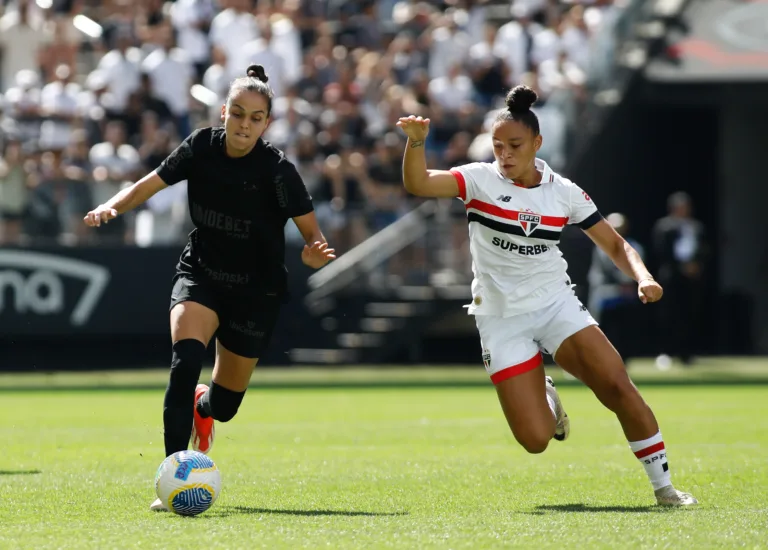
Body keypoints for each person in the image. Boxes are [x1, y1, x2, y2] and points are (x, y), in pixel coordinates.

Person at [396, 85, 698, 507]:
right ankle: (548, 396)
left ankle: (665, 489)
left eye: (514, 145)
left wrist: (643, 277)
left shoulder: (564, 192)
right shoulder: (479, 180)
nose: (504, 154)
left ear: (537, 143)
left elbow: (614, 244)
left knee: (618, 387)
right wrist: (415, 143)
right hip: (501, 317)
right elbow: (419, 183)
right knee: (536, 440)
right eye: (498, 146)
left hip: (555, 304)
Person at [83, 64, 336, 512]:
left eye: (255, 118)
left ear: (266, 123)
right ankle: (172, 477)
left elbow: (313, 235)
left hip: (255, 293)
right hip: (200, 275)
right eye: (237, 113)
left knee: (224, 406)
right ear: (223, 112)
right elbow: (151, 183)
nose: (244, 124)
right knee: (183, 366)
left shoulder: (278, 172)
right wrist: (111, 206)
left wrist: (313, 252)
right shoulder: (200, 146)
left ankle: (206, 408)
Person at [652, 192, 707, 367]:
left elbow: (704, 248)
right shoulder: (664, 226)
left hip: (691, 278)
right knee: (669, 315)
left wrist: (696, 265)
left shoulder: (696, 227)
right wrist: (680, 266)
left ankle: (687, 354)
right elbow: (661, 250)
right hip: (671, 276)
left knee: (689, 314)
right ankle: (666, 352)